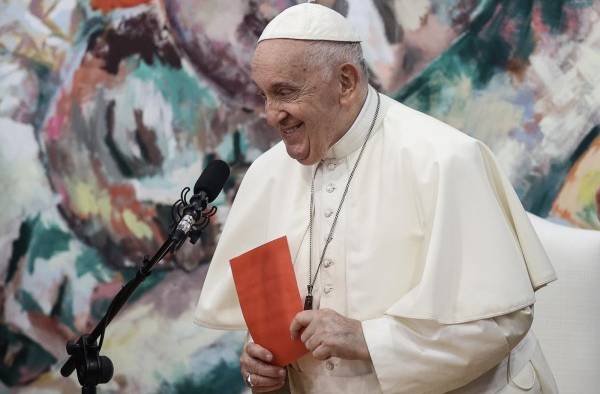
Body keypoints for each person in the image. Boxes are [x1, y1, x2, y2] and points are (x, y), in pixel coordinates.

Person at [193, 3, 558, 393]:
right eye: (265, 95)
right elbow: (270, 321)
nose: (271, 115)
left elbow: (502, 321)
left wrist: (369, 339)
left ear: (346, 82)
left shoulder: (444, 159)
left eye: (284, 93)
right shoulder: (267, 175)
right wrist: (261, 364)